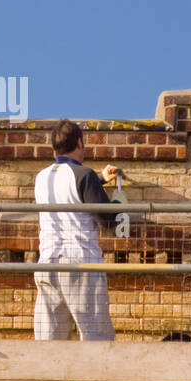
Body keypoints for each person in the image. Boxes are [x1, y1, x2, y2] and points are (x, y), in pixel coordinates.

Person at [33, 119, 123, 341]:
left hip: (47, 263)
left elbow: (71, 191)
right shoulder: (84, 176)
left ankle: (51, 377)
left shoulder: (42, 177)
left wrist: (99, 179)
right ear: (80, 143)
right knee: (95, 337)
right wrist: (120, 203)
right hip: (81, 263)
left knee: (49, 340)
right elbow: (108, 220)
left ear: (54, 147)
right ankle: (93, 377)